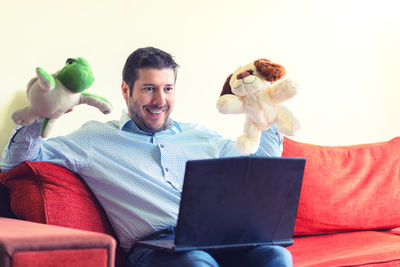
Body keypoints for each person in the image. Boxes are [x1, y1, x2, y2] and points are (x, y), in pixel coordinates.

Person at [1, 47, 292, 267]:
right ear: (126, 90)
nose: (160, 100)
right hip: (156, 248)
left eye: (168, 89)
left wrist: (267, 115)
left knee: (277, 255)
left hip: (220, 237)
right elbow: (14, 163)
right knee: (196, 262)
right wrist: (39, 113)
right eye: (149, 88)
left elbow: (261, 168)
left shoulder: (201, 136)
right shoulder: (93, 139)